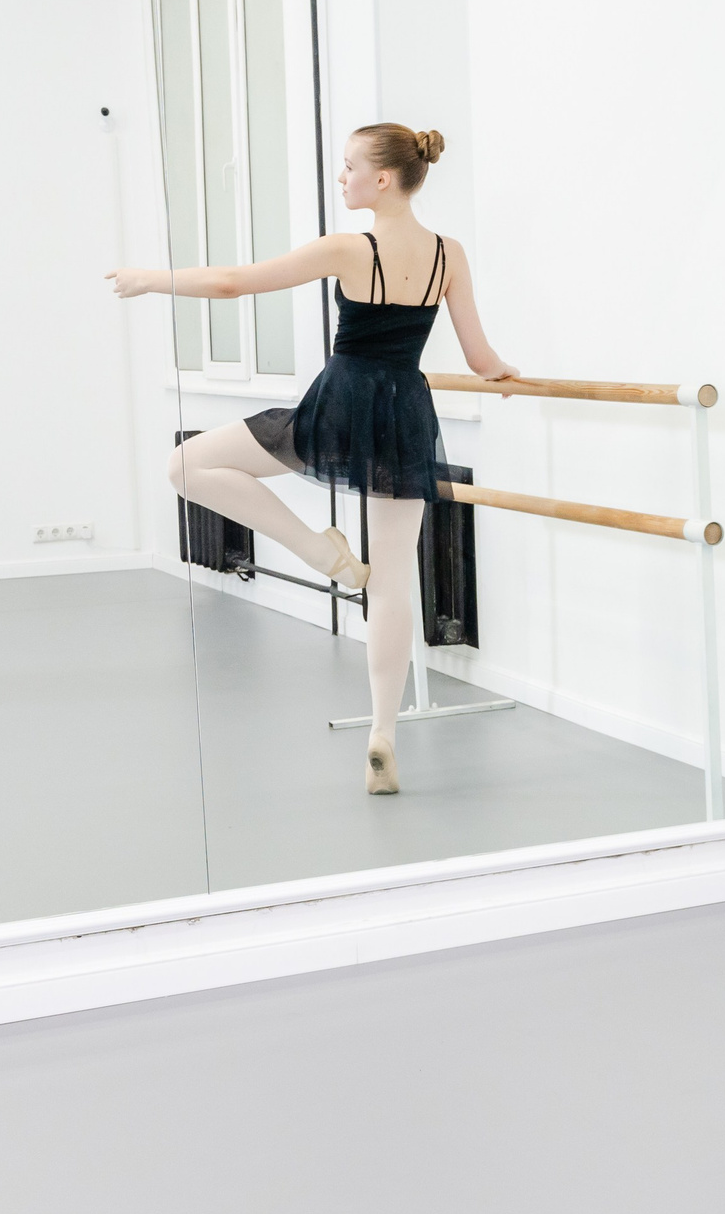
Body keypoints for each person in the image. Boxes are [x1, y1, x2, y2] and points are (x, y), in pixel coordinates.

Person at [108, 123, 517, 795]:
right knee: (392, 577)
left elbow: (235, 283)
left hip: (340, 406)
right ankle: (383, 731)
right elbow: (479, 357)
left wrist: (150, 279)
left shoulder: (349, 248)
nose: (343, 177)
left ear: (383, 179)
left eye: (349, 166)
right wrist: (504, 373)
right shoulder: (450, 254)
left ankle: (320, 554)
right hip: (406, 413)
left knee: (186, 467)